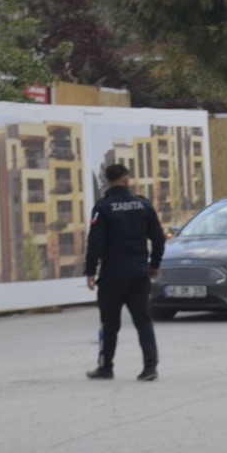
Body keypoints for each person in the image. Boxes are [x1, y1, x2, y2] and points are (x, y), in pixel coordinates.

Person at [84, 163, 165, 381]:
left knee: (110, 324)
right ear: (126, 180)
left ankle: (105, 367)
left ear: (107, 182)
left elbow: (95, 242)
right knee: (142, 320)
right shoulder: (142, 205)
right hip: (139, 273)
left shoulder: (103, 207)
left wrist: (90, 270)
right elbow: (158, 238)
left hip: (112, 275)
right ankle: (150, 367)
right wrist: (154, 264)